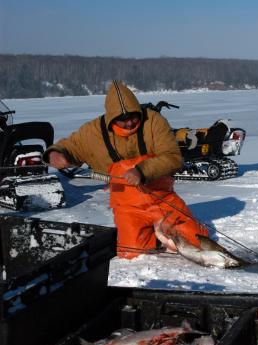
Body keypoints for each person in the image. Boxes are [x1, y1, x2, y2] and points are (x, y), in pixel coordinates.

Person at [45, 80, 208, 258]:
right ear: (111, 119)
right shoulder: (93, 132)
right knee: (132, 252)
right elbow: (69, 147)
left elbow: (173, 157)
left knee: (197, 242)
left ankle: (163, 231)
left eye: (133, 117)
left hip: (161, 198)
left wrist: (142, 171)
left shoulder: (153, 121)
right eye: (122, 120)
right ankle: (156, 235)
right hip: (127, 205)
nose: (129, 123)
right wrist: (55, 154)